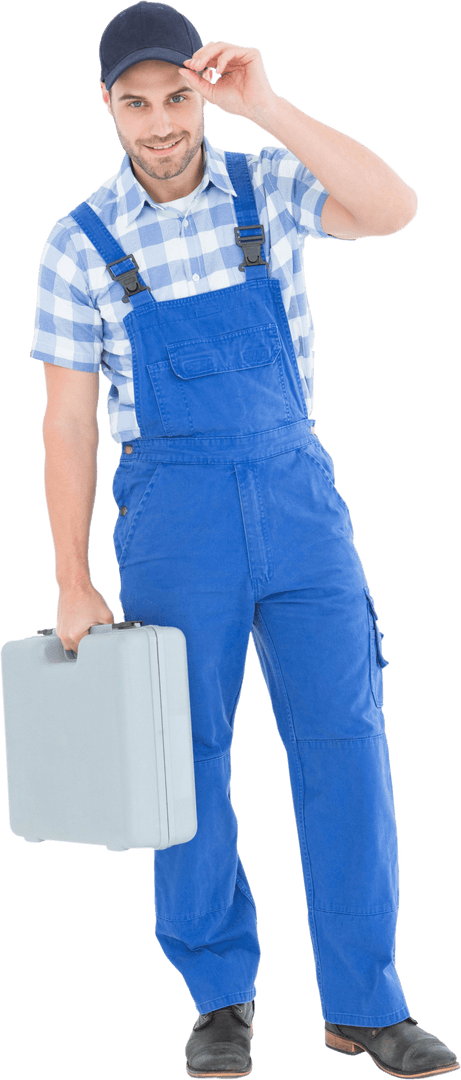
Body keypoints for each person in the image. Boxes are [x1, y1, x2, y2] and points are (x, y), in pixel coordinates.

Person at [30, 3, 459, 1079]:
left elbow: (395, 207)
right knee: (184, 757)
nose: (163, 123)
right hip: (174, 516)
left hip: (297, 493)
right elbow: (67, 419)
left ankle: (365, 1005)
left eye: (179, 97)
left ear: (201, 94)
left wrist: (263, 105)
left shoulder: (266, 183)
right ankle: (219, 995)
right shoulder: (79, 242)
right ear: (107, 106)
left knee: (345, 744)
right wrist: (73, 577)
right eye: (138, 103)